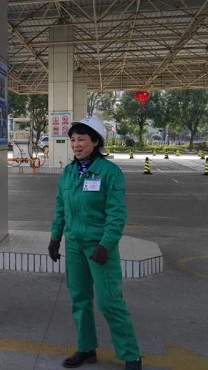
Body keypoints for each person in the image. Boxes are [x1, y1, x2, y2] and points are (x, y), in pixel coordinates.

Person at [48, 117, 142, 370]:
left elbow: (116, 213)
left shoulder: (110, 172)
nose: (76, 145)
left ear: (96, 141)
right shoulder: (68, 172)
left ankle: (131, 354)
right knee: (79, 298)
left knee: (109, 301)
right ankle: (86, 347)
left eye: (81, 139)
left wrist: (106, 244)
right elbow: (60, 207)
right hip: (74, 244)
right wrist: (55, 237)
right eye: (73, 140)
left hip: (99, 246)